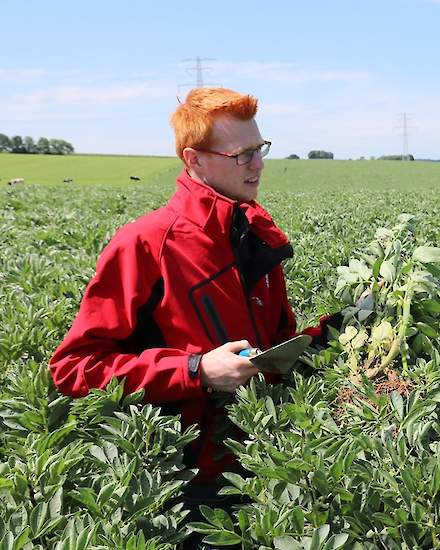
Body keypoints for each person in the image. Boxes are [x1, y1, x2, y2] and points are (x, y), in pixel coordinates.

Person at [48, 87, 337, 546]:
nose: (258, 165)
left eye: (259, 149)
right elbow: (74, 368)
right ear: (195, 160)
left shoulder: (256, 235)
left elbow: (278, 345)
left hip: (267, 462)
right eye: (241, 155)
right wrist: (196, 371)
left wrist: (339, 331)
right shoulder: (146, 244)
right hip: (185, 482)